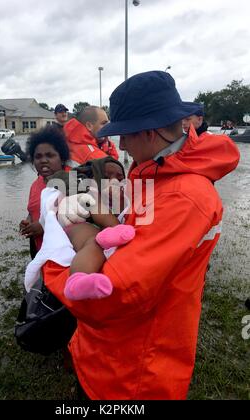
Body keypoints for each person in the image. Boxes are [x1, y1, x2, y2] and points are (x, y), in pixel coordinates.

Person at [41, 71, 240, 400]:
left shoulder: (184, 196)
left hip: (133, 373)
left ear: (150, 132)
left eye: (125, 135)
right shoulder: (162, 171)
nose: (120, 145)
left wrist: (53, 258)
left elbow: (113, 294)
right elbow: (132, 230)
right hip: (109, 354)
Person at [24, 157, 135, 300]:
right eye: (107, 177)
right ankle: (77, 281)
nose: (114, 181)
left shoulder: (122, 197)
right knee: (93, 242)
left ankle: (108, 238)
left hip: (97, 229)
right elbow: (104, 217)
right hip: (77, 228)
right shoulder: (86, 189)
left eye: (120, 178)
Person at [19, 126, 70, 257]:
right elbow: (32, 212)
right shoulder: (35, 185)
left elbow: (82, 220)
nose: (43, 160)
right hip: (41, 252)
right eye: (38, 156)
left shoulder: (73, 181)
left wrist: (44, 227)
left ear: (62, 158)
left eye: (50, 155)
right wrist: (27, 222)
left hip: (65, 255)